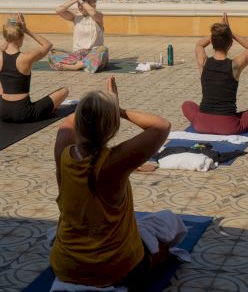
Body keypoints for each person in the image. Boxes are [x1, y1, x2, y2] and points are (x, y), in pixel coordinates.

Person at [50, 77, 172, 289]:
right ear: (112, 127)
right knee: (162, 245)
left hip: (66, 266)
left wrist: (101, 108)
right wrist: (118, 109)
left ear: (80, 121)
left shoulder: (63, 149)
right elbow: (161, 126)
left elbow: (70, 122)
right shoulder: (115, 161)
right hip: (115, 270)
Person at [182, 13, 248, 135]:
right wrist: (229, 33)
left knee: (187, 105)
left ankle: (210, 120)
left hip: (201, 124)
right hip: (228, 126)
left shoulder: (203, 63)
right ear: (230, 43)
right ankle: (235, 119)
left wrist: (217, 34)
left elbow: (199, 44)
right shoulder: (235, 65)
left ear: (211, 41)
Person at [0, 14, 69, 123]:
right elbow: (48, 45)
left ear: (6, 36)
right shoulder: (26, 57)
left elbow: (3, 47)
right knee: (64, 91)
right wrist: (27, 30)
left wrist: (9, 34)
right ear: (21, 37)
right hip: (24, 113)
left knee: (2, 86)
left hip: (3, 112)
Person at [48, 0, 108, 73]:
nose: (80, 7)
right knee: (53, 53)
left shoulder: (98, 17)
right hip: (78, 55)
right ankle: (82, 64)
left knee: (103, 50)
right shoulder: (76, 17)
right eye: (79, 5)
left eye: (82, 5)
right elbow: (58, 10)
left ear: (90, 4)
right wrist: (75, 0)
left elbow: (93, 12)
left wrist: (82, 1)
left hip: (93, 53)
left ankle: (75, 66)